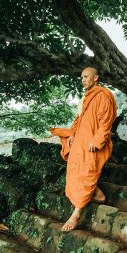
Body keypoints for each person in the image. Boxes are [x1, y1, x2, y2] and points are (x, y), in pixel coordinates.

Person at [49, 67, 117, 231]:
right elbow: (79, 119)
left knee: (87, 172)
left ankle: (76, 214)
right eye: (81, 77)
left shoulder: (103, 95)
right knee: (74, 170)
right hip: (80, 140)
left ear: (95, 78)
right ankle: (97, 194)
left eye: (86, 77)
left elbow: (105, 121)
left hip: (92, 142)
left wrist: (98, 139)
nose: (83, 80)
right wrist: (72, 134)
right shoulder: (84, 98)